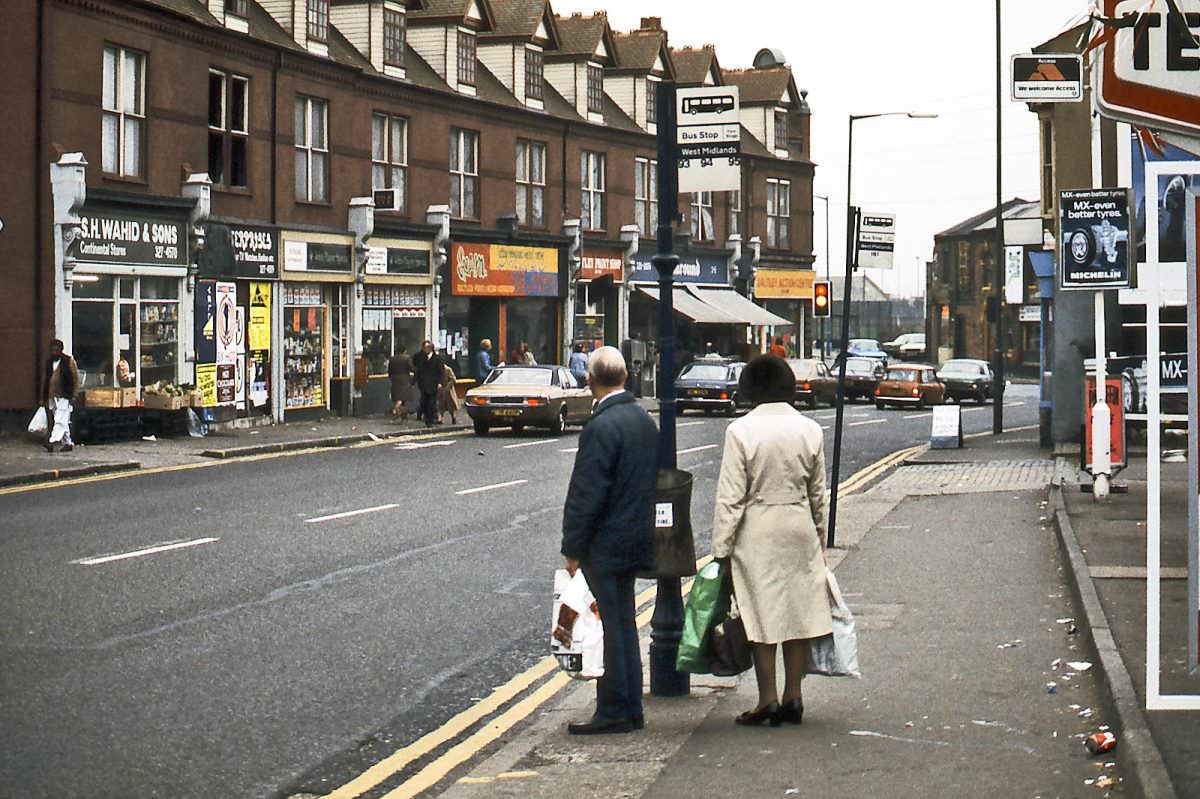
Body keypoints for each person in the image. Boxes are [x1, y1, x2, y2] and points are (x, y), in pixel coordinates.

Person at [711, 354, 832, 728]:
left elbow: (730, 497)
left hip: (757, 528)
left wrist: (721, 549)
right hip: (798, 525)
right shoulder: (810, 430)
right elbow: (819, 493)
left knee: (761, 616)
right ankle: (794, 695)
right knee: (797, 612)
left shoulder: (741, 432)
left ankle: (767, 700)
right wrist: (819, 536)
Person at [561, 346, 657, 735]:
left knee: (609, 629)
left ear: (591, 380)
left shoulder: (601, 426)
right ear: (626, 377)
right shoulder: (643, 420)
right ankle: (630, 705)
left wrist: (572, 547)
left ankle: (614, 709)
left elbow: (587, 493)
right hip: (636, 537)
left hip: (605, 543)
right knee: (624, 625)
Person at [42, 339, 80, 453]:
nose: (54, 352)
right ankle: (67, 443)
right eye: (52, 350)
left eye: (56, 350)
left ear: (61, 350)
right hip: (52, 395)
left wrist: (74, 395)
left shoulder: (69, 361)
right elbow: (46, 379)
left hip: (65, 394)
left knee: (59, 419)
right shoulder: (49, 362)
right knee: (61, 419)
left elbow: (76, 379)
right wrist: (44, 397)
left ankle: (52, 441)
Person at [412, 340, 444, 427]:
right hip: (423, 384)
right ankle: (427, 418)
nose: (425, 349)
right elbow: (418, 371)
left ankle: (430, 420)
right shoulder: (422, 358)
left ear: (431, 349)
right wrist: (413, 381)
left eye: (427, 348)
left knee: (431, 403)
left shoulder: (438, 359)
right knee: (424, 402)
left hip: (433, 384)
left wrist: (440, 383)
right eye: (424, 348)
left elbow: (441, 371)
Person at [387, 345, 415, 421]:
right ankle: (394, 410)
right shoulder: (407, 358)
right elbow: (412, 368)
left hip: (395, 379)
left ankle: (403, 416)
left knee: (398, 397)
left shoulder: (392, 359)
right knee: (401, 398)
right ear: (404, 350)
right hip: (404, 380)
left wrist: (391, 378)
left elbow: (389, 371)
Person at [438, 353, 461, 425]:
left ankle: (453, 417)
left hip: (448, 391)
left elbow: (453, 379)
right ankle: (440, 418)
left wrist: (448, 386)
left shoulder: (448, 369)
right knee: (440, 405)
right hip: (440, 390)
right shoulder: (436, 369)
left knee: (450, 406)